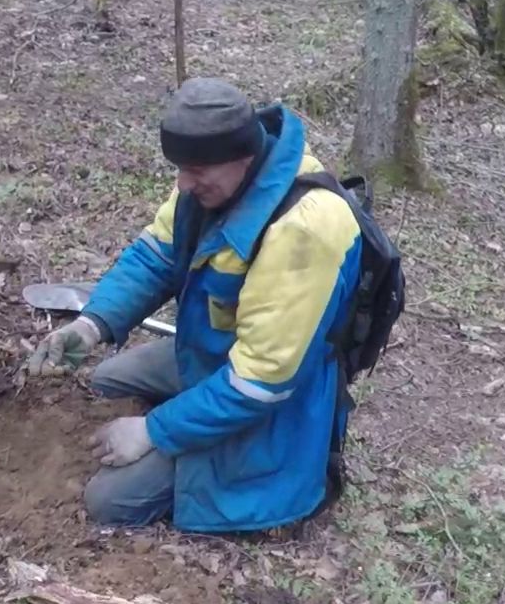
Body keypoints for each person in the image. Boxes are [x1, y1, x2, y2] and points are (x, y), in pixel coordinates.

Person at [26, 77, 363, 533]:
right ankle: (187, 415)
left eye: (196, 171)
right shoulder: (212, 180)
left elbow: (261, 383)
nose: (183, 184)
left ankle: (196, 442)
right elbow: (154, 257)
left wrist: (152, 431)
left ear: (243, 156)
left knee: (108, 501)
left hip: (275, 400)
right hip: (214, 354)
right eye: (180, 168)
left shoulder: (304, 229)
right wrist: (90, 325)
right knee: (108, 379)